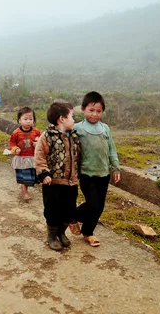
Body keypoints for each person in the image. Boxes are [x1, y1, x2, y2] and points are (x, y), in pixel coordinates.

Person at [71, 91, 121, 247]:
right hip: (86, 173)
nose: (94, 114)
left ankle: (88, 232)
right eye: (91, 110)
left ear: (102, 112)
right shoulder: (77, 128)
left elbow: (111, 150)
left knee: (100, 207)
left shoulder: (105, 129)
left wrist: (116, 168)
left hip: (103, 173)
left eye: (98, 111)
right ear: (83, 110)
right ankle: (71, 216)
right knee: (93, 204)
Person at [35, 102, 80, 251]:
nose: (74, 119)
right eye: (72, 116)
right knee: (52, 210)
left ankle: (61, 233)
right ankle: (52, 235)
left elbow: (79, 156)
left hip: (71, 182)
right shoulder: (47, 136)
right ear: (62, 118)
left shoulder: (74, 135)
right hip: (53, 183)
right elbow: (40, 156)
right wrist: (44, 173)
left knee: (69, 211)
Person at [9, 107, 41, 200]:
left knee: (30, 177)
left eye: (31, 119)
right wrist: (15, 149)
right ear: (19, 120)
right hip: (21, 158)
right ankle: (24, 192)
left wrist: (37, 143)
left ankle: (23, 186)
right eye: (25, 119)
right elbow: (11, 144)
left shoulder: (36, 132)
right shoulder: (16, 133)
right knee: (24, 176)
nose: (28, 121)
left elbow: (40, 142)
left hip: (31, 158)